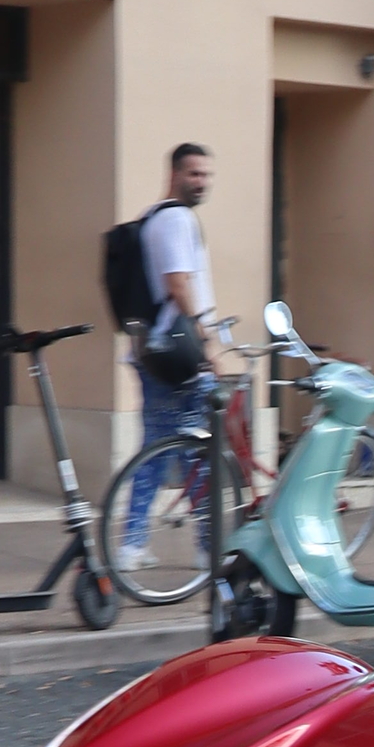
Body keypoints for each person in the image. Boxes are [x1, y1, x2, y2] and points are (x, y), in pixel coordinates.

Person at [118, 143, 227, 563]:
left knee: (155, 450)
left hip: (153, 352)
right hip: (182, 354)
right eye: (194, 174)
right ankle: (206, 547)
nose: (201, 182)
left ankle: (132, 542)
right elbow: (180, 285)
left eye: (206, 175)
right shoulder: (178, 220)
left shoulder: (152, 219)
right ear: (174, 175)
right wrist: (210, 346)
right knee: (198, 451)